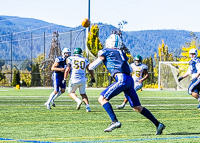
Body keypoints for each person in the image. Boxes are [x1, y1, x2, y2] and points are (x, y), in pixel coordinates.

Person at [88, 34, 165, 134]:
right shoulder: (121, 52)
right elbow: (129, 69)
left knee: (102, 99)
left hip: (121, 79)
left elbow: (91, 67)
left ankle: (114, 121)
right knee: (137, 107)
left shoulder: (106, 51)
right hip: (129, 79)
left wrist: (90, 65)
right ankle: (158, 124)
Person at [63, 47, 95, 112]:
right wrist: (93, 77)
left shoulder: (70, 58)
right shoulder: (85, 59)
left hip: (74, 79)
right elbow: (90, 69)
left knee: (71, 92)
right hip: (83, 79)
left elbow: (67, 70)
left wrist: (65, 79)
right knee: (83, 93)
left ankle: (78, 101)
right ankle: (88, 107)